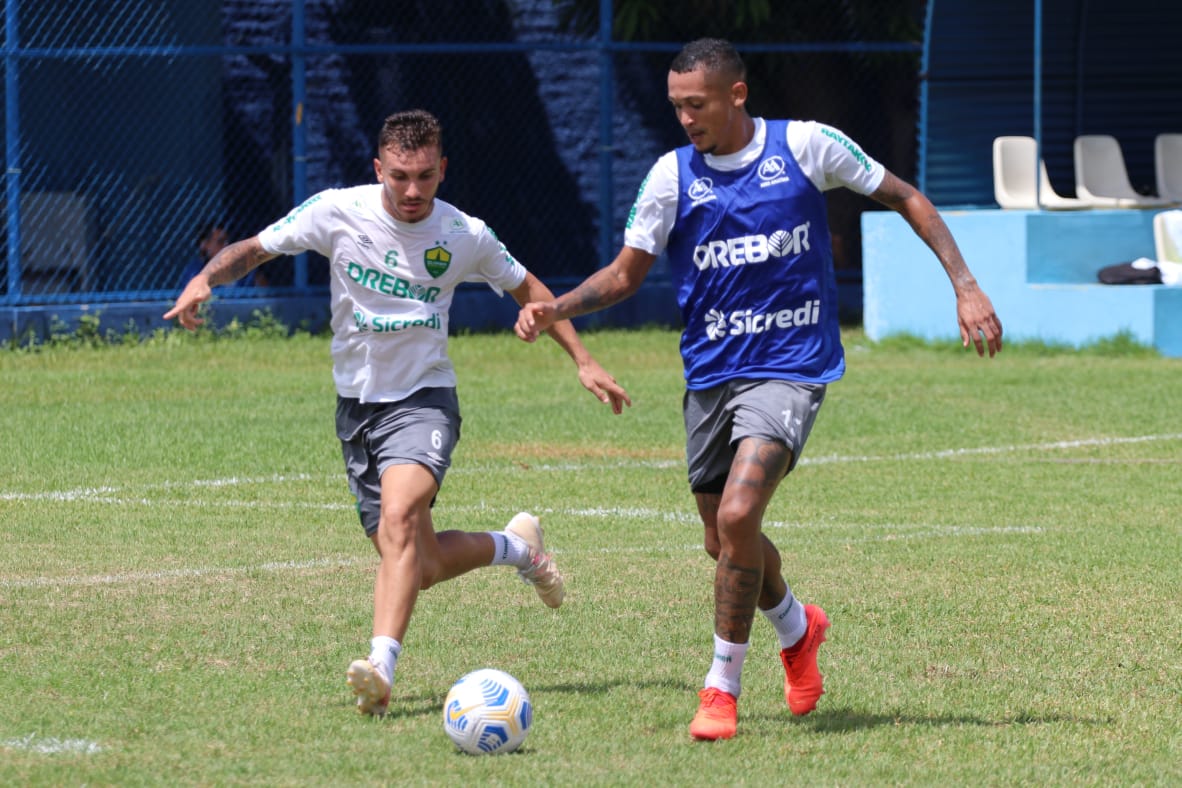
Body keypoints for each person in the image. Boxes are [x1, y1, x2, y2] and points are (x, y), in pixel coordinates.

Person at [516, 38, 1002, 740]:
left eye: (697, 104)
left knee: (740, 516)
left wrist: (966, 285)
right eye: (677, 106)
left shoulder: (806, 146)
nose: (685, 118)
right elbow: (624, 275)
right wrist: (556, 308)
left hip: (792, 367)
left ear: (736, 95)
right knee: (722, 541)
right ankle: (799, 629)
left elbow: (904, 196)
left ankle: (721, 688)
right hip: (711, 374)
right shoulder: (671, 176)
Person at [165, 109, 631, 717]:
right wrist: (205, 277)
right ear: (378, 169)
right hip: (356, 409)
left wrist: (583, 359)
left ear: (443, 169)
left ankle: (380, 669)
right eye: (400, 176)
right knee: (419, 563)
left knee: (402, 513)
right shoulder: (338, 210)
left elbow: (531, 291)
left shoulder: (463, 233)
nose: (413, 191)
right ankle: (519, 548)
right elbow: (254, 249)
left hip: (423, 400)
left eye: (425, 177)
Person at [179, 221, 263, 289]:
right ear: (205, 244)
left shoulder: (242, 264)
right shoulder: (194, 271)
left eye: (227, 242)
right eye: (220, 242)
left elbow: (263, 290)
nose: (226, 246)